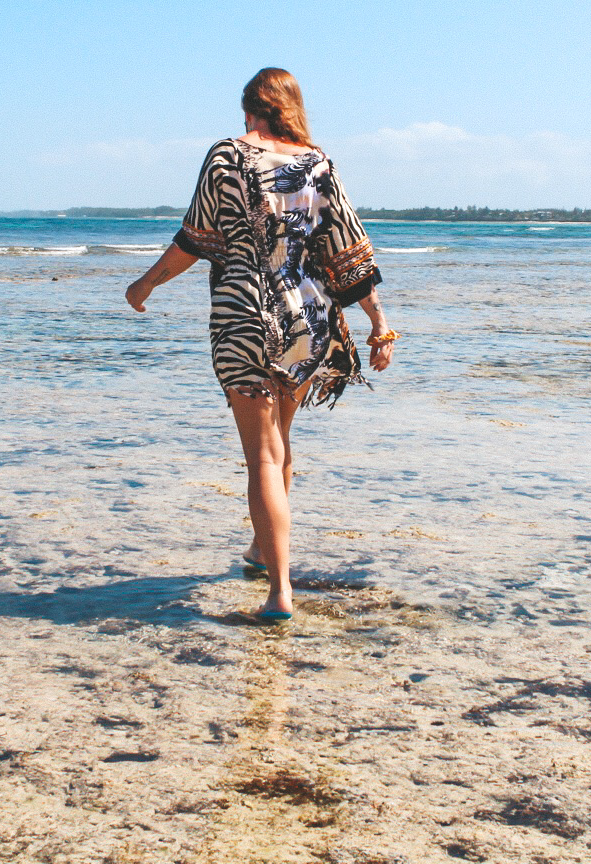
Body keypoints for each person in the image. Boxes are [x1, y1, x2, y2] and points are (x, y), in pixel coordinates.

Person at [125, 68, 396, 622]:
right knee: (280, 443)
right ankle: (259, 550)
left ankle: (279, 593)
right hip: (306, 318)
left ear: (250, 107)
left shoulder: (227, 155)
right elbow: (348, 248)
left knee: (263, 457)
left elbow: (195, 239)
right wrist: (379, 323)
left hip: (243, 317)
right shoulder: (317, 163)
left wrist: (146, 284)